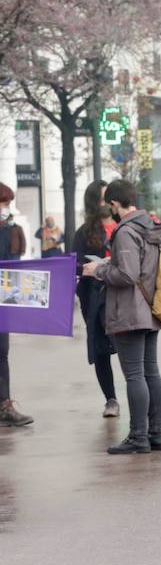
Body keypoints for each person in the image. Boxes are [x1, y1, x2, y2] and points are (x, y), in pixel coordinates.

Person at [82, 179, 161, 455]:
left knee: (135, 376)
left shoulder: (125, 231)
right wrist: (112, 263)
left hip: (130, 311)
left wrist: (98, 269)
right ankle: (157, 434)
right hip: (150, 308)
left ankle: (138, 436)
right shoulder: (150, 227)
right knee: (150, 372)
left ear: (115, 204)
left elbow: (128, 275)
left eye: (111, 205)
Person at [73, 179, 119, 419]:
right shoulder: (84, 233)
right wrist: (90, 268)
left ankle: (138, 394)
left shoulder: (124, 225)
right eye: (102, 197)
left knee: (129, 347)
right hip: (96, 298)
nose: (107, 201)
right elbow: (75, 266)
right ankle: (110, 399)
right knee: (101, 349)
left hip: (123, 296)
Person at [0, 182, 34, 427]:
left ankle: (5, 404)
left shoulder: (8, 229)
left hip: (2, 302)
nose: (7, 207)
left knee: (2, 354)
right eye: (4, 202)